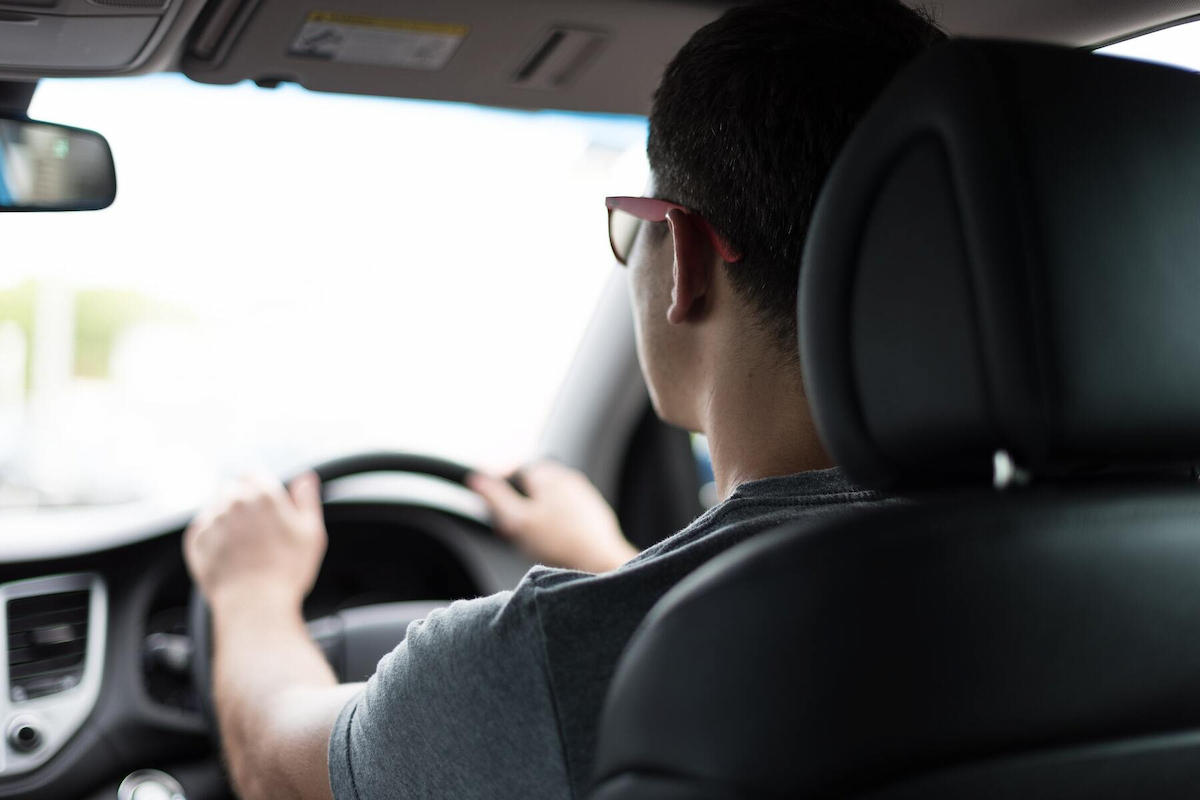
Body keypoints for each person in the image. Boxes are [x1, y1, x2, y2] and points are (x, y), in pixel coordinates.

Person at [181, 2, 946, 798]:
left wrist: (252, 593)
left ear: (682, 256)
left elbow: (275, 763)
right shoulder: (1057, 575)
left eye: (633, 226)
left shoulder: (540, 659)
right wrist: (612, 560)